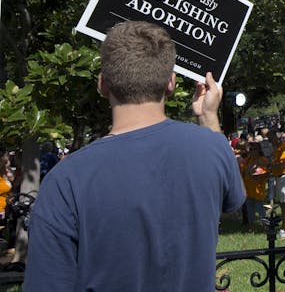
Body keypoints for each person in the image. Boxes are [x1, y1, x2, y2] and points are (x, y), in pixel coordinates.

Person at [23, 21, 245, 291]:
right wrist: (209, 115)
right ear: (171, 83)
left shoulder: (65, 180)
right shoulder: (213, 148)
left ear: (103, 84)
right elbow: (232, 199)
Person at [269, 129, 285, 238]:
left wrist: (270, 167)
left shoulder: (284, 148)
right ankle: (283, 227)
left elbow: (282, 164)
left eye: (271, 138)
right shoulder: (276, 149)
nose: (270, 141)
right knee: (282, 204)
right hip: (278, 177)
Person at [241, 140, 270, 228]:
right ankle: (251, 226)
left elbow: (265, 174)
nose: (251, 151)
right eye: (250, 149)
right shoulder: (248, 159)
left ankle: (266, 225)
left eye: (253, 149)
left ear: (258, 150)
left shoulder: (263, 160)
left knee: (260, 208)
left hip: (258, 189)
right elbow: (244, 172)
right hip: (248, 188)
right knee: (250, 209)